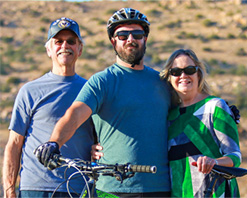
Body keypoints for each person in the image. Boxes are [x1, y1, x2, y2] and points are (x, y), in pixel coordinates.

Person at [35, 8, 172, 197]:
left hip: (160, 186)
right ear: (113, 41)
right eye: (123, 35)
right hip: (112, 187)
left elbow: (191, 108)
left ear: (145, 39)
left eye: (137, 34)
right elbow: (74, 115)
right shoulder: (102, 81)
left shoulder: (163, 82)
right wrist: (53, 143)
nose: (130, 39)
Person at [2, 17, 95, 198]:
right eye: (58, 42)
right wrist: (9, 191)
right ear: (49, 50)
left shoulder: (92, 91)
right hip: (35, 188)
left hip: (76, 187)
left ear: (80, 49)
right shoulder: (30, 91)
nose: (64, 46)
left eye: (71, 41)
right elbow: (14, 144)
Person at [159, 48, 241, 197]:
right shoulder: (169, 117)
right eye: (176, 72)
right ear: (169, 78)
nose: (183, 75)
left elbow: (235, 156)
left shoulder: (215, 107)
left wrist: (214, 162)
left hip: (216, 193)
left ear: (198, 74)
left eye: (189, 70)